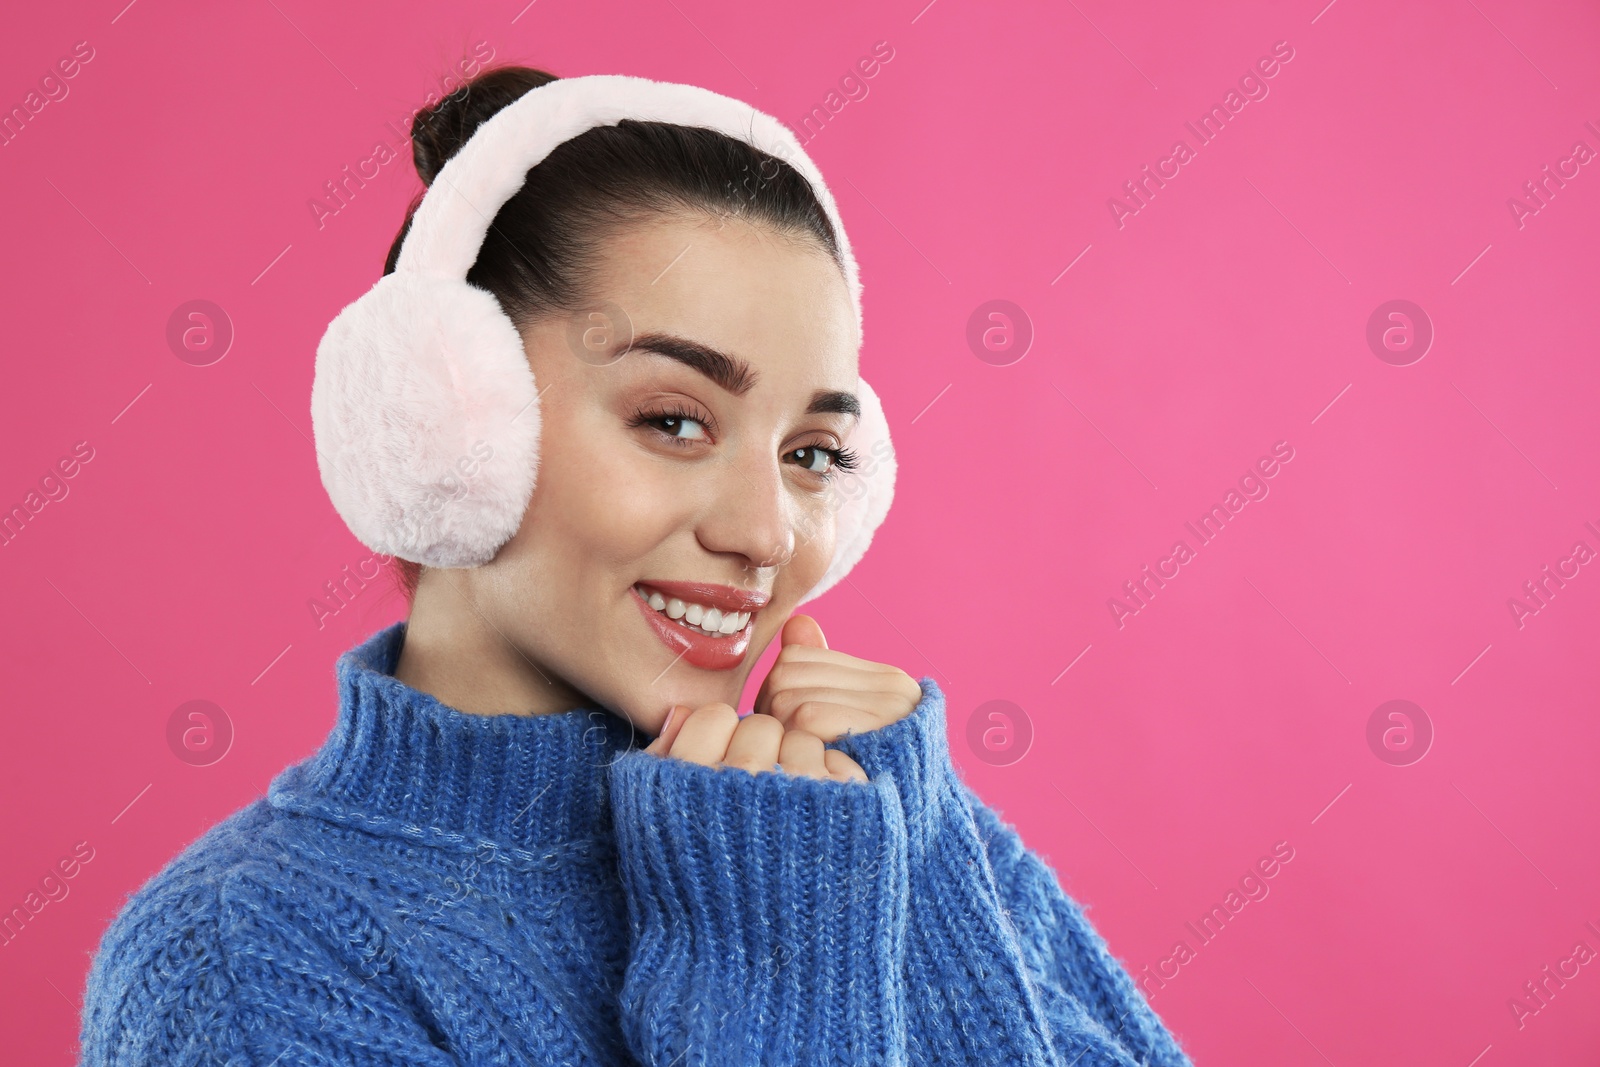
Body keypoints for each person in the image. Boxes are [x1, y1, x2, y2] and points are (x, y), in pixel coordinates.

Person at [77, 65, 1195, 1066]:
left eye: (811, 453)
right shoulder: (240, 962)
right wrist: (777, 969)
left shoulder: (871, 821)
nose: (767, 532)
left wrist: (920, 850)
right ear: (454, 424)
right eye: (673, 420)